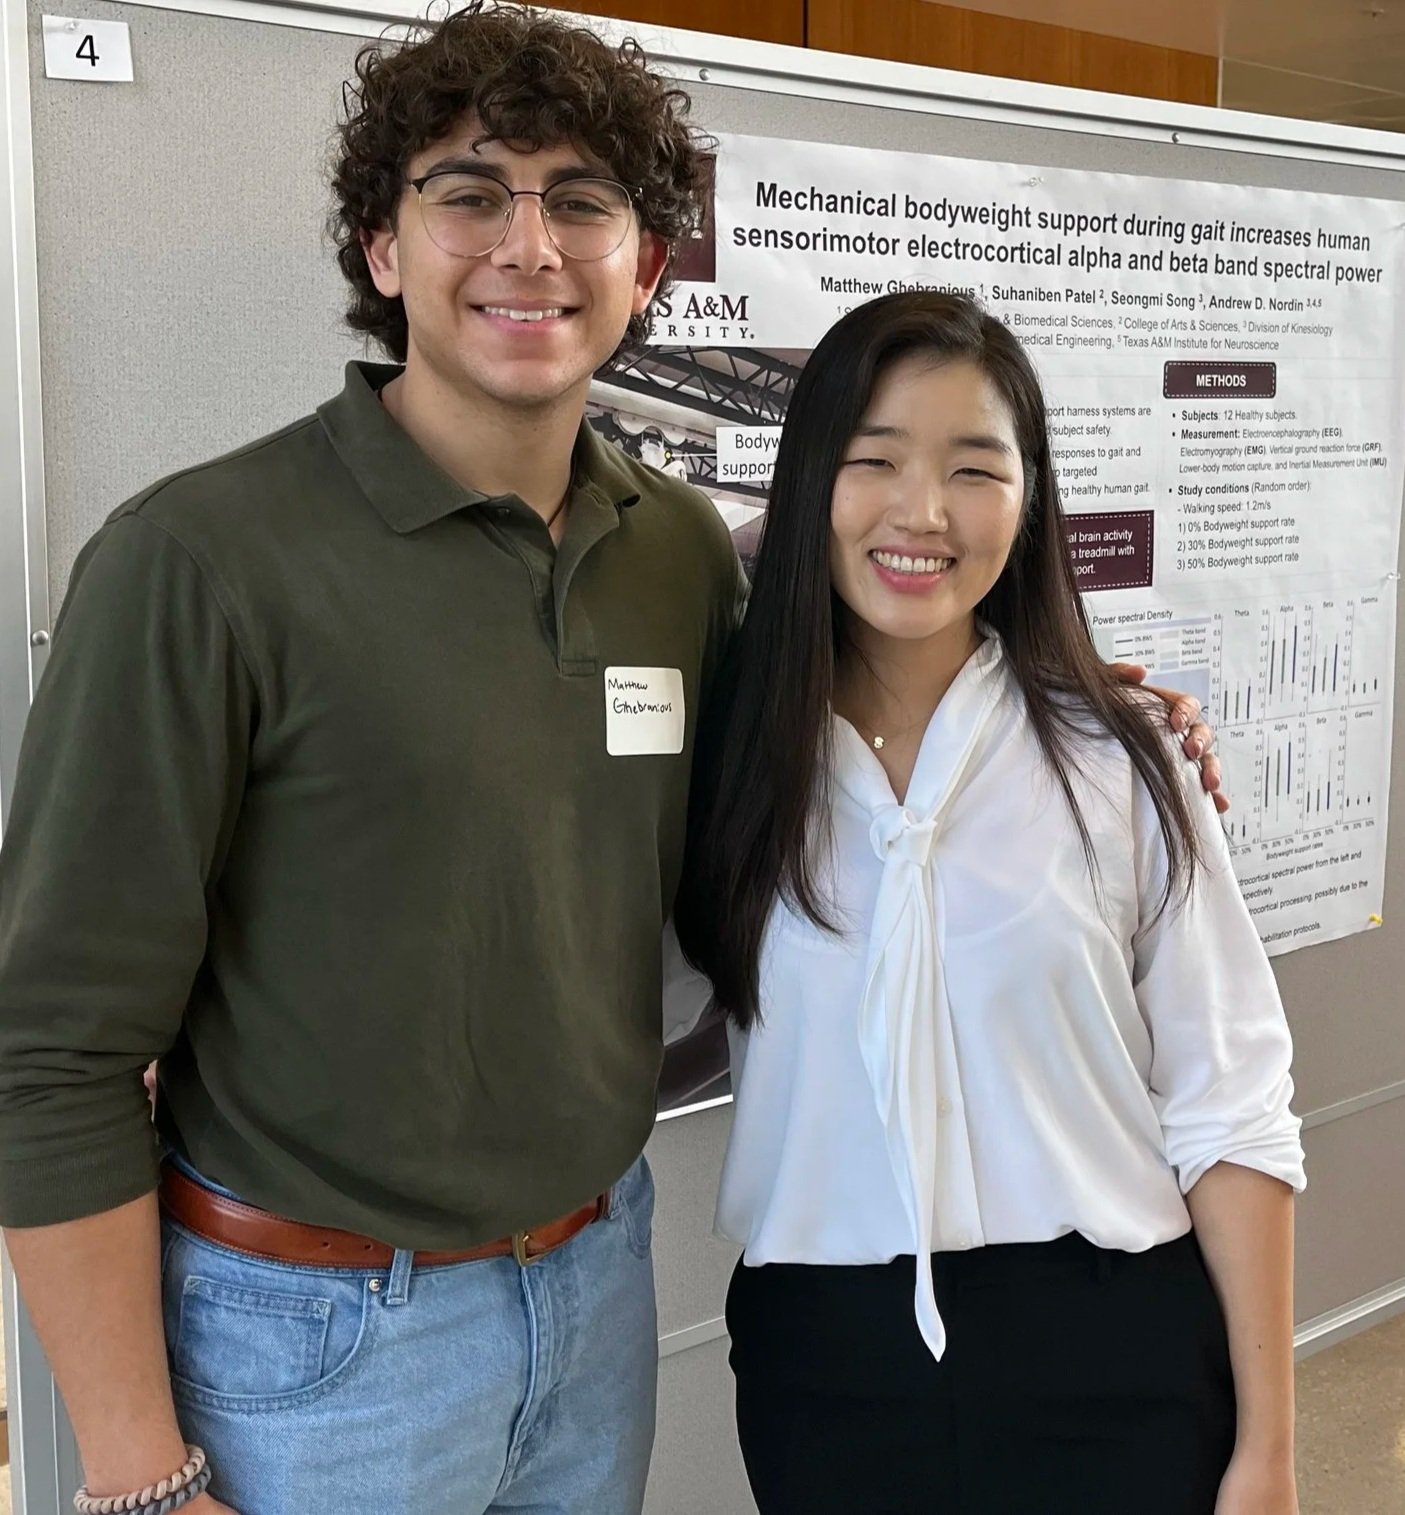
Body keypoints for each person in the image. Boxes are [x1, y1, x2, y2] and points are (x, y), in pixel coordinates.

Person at [0, 9, 1222, 1515]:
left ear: (644, 268)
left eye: (581, 201)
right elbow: (47, 1047)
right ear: (382, 247)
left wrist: (1082, 709)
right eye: (469, 193)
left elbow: (841, 701)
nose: (530, 246)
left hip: (593, 1289)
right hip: (314, 1333)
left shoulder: (674, 552)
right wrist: (137, 1467)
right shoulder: (198, 562)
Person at [674, 292, 1304, 1515]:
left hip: (1112, 1345)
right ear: (807, 486)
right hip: (827, 1363)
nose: (923, 512)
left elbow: (1230, 1104)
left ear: (1028, 499)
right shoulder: (729, 762)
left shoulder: (1120, 758)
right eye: (874, 461)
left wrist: (1268, 1451)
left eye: (974, 469)